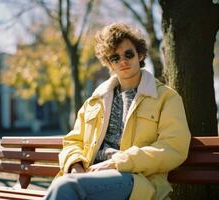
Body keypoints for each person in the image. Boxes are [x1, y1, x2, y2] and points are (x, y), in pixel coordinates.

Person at [44, 22, 191, 200]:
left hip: (134, 179)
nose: (122, 61)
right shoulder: (95, 101)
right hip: (88, 175)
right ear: (109, 64)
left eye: (128, 54)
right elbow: (73, 141)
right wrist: (75, 165)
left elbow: (173, 148)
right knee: (68, 185)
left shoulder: (166, 98)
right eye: (115, 58)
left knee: (66, 187)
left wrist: (117, 163)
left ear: (140, 55)